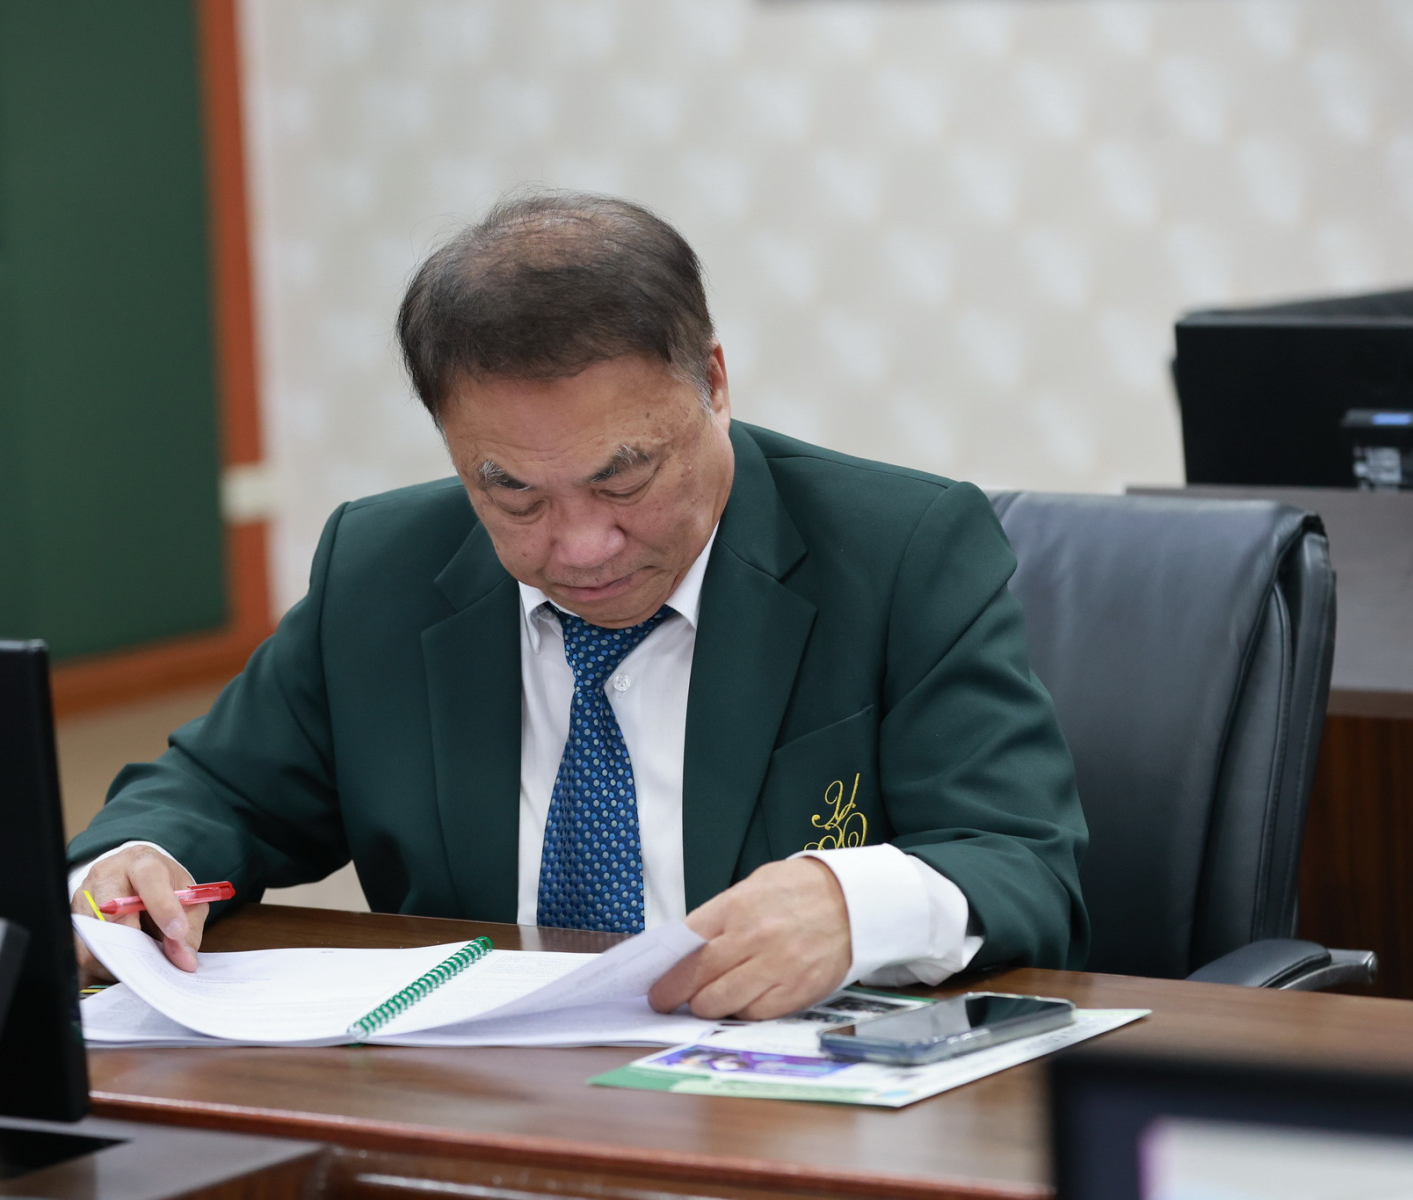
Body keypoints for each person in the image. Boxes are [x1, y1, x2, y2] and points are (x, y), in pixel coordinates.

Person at [69, 191, 1087, 1020]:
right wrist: (133, 865)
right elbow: (214, 793)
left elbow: (1024, 866)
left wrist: (853, 904)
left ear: (714, 383)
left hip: (775, 1109)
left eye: (623, 477)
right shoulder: (382, 568)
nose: (581, 545)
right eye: (513, 493)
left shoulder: (900, 553)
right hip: (478, 1101)